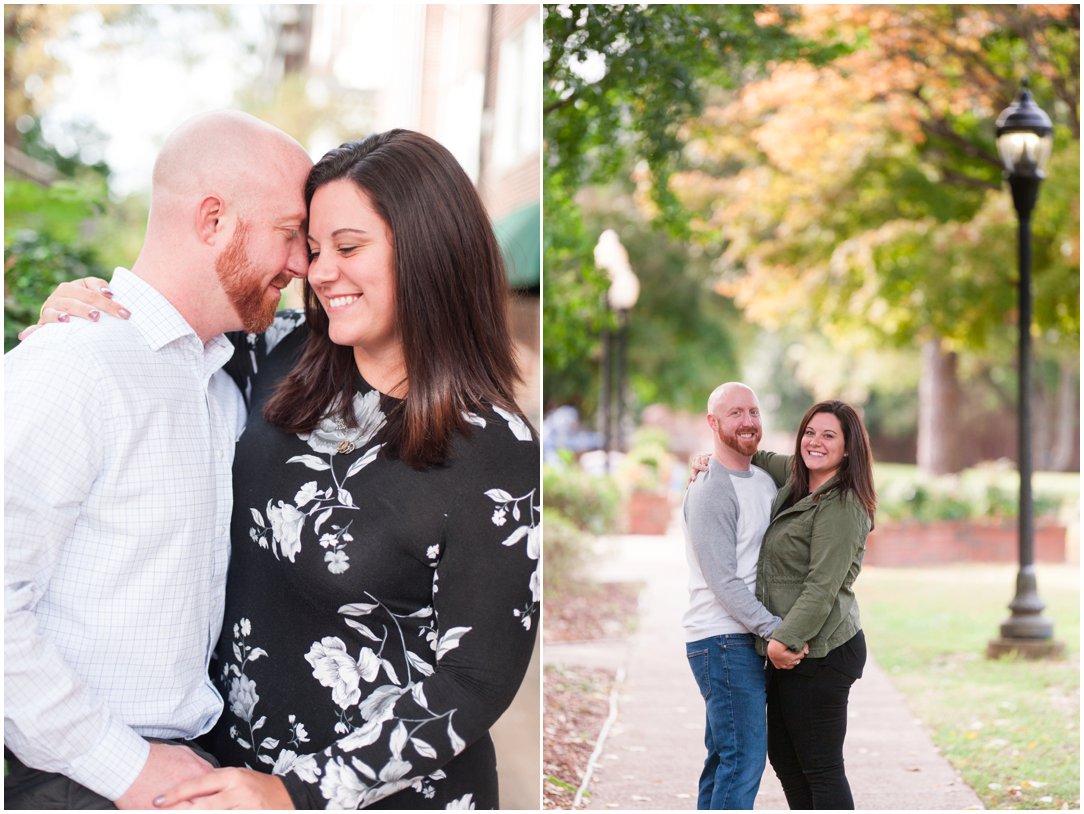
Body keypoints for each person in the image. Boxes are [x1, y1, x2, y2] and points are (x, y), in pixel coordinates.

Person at [30, 129, 540, 810]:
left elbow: (475, 676)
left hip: (383, 795)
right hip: (223, 780)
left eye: (347, 248)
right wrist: (88, 310)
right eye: (313, 247)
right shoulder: (276, 354)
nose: (317, 271)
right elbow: (169, 328)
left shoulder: (494, 446)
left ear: (429, 249)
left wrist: (296, 793)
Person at [5, 110, 313, 809]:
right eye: (290, 232)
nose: (302, 264)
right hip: (81, 781)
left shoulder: (225, 386)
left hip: (185, 769)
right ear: (213, 220)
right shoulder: (73, 365)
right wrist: (129, 768)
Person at [681, 382, 806, 810]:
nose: (747, 421)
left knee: (724, 759)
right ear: (713, 423)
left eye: (752, 411)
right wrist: (777, 630)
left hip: (743, 637)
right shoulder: (711, 488)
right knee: (744, 760)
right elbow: (723, 580)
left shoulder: (763, 480)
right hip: (722, 639)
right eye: (734, 413)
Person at [752, 400, 876, 810]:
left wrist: (781, 641)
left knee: (821, 769)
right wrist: (708, 459)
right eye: (809, 432)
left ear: (848, 448)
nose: (815, 442)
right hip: (795, 648)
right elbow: (755, 456)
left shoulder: (842, 505)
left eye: (828, 435)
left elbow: (822, 587)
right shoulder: (798, 475)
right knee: (787, 761)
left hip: (822, 651)